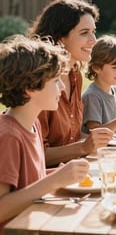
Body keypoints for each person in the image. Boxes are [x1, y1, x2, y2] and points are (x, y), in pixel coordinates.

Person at [0, 35, 89, 233]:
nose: (62, 87)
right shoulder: (8, 136)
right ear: (30, 87)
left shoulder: (33, 125)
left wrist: (63, 174)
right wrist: (55, 180)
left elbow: (28, 182)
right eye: (56, 80)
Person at [28, 0, 113, 167]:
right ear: (60, 38)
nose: (94, 40)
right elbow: (35, 154)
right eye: (84, 33)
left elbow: (71, 138)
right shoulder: (39, 82)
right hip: (46, 181)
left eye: (93, 31)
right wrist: (83, 147)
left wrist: (102, 142)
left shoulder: (75, 76)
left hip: (74, 172)